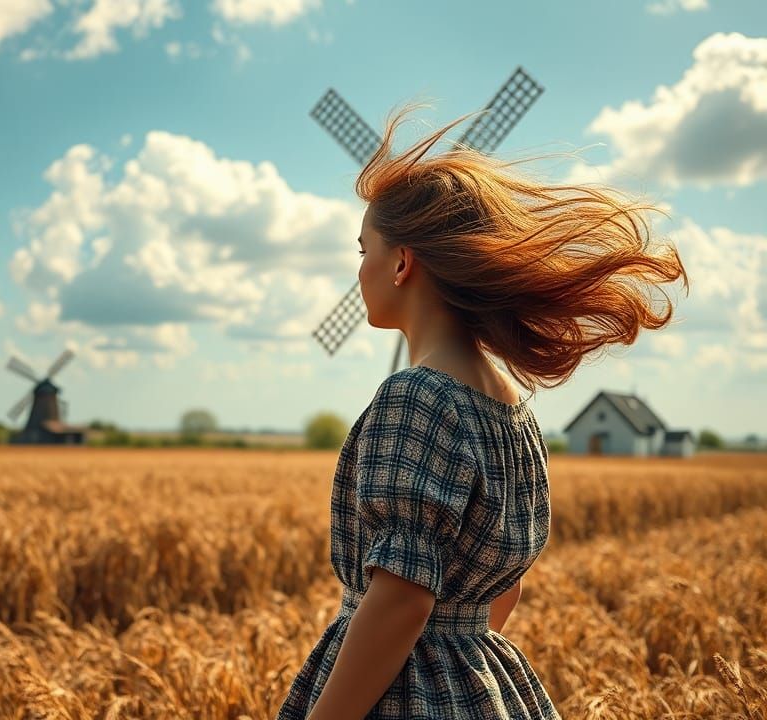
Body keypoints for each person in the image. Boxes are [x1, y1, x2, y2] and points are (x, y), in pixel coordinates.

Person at [275, 103, 688, 720]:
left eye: (364, 249)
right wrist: (457, 654)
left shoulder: (415, 397)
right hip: (484, 682)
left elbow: (402, 598)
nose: (359, 269)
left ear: (401, 261)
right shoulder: (513, 412)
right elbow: (504, 586)